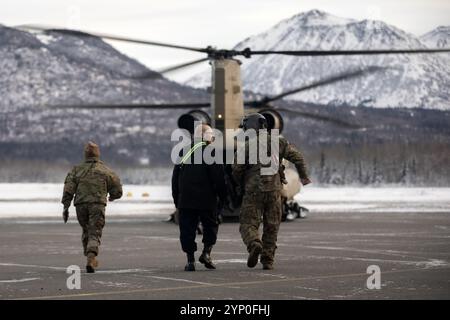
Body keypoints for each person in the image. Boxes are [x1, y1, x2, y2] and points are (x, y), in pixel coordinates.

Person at [232, 113, 311, 270]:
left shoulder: (246, 146)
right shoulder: (279, 143)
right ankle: (268, 260)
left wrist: (240, 184)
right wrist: (303, 177)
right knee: (272, 226)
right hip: (275, 190)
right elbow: (299, 158)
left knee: (248, 223)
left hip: (254, 191)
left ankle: (254, 243)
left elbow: (236, 169)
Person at [172, 124, 227, 271]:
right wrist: (223, 197)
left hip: (186, 200)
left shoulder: (183, 151)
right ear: (208, 136)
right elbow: (219, 178)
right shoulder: (211, 152)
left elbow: (175, 178)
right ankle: (206, 253)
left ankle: (190, 260)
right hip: (207, 200)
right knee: (210, 227)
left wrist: (177, 201)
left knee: (187, 230)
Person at [61, 141, 123, 273]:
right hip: (97, 205)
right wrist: (113, 196)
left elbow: (68, 189)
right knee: (94, 232)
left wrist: (66, 207)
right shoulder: (105, 170)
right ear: (98, 154)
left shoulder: (76, 170)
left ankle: (89, 255)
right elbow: (117, 189)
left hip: (80, 205)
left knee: (86, 230)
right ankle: (91, 257)